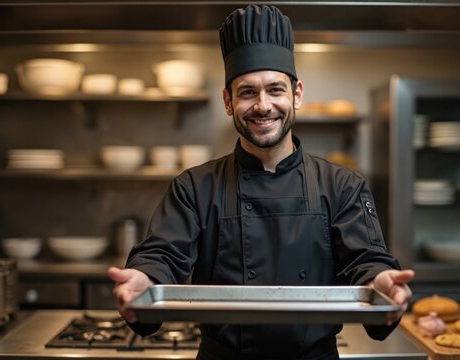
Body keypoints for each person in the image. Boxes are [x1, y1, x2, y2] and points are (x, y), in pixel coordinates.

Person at [108, 4, 414, 360]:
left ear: (297, 94)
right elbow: (162, 255)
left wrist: (380, 283)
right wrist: (143, 280)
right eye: (248, 92)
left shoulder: (342, 185)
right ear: (228, 101)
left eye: (275, 90)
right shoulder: (194, 187)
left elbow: (366, 262)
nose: (263, 105)